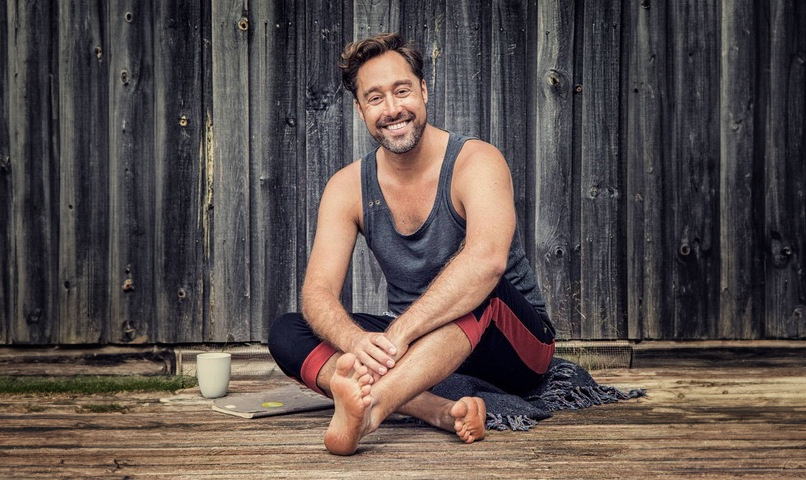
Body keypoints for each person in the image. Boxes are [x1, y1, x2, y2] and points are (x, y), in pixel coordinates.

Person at [268, 32, 556, 456]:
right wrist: (356, 343)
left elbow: (487, 261)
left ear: (422, 90)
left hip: (513, 346)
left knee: (476, 286)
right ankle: (439, 410)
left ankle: (371, 410)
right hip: (419, 354)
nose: (392, 109)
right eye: (375, 98)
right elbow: (318, 292)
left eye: (402, 91)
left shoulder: (476, 162)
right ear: (360, 109)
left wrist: (397, 334)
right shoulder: (346, 187)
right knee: (287, 330)